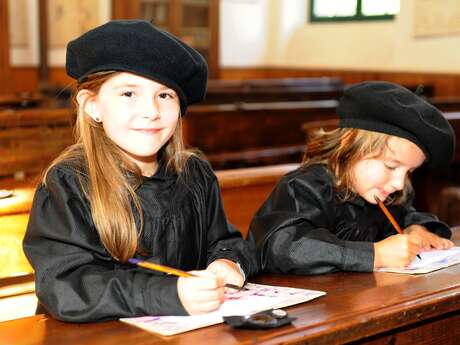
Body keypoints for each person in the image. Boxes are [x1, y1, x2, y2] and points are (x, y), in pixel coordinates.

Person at [23, 20, 258, 322]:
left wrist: (229, 262)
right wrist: (167, 294)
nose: (151, 111)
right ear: (92, 106)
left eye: (165, 95)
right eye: (129, 94)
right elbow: (65, 285)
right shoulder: (68, 183)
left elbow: (225, 239)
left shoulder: (193, 174)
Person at [249, 81, 455, 275]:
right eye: (391, 166)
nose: (399, 183)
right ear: (351, 144)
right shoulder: (303, 188)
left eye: (409, 171)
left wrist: (415, 229)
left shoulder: (385, 193)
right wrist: (375, 255)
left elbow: (404, 214)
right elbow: (284, 246)